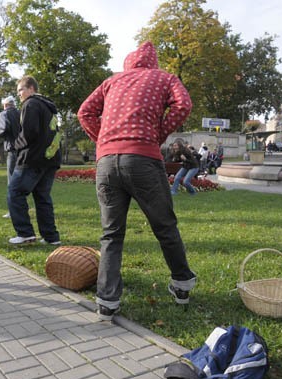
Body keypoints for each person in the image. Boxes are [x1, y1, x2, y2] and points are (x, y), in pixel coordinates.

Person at [77, 41, 197, 321]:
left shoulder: (111, 81)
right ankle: (182, 284)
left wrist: (103, 140)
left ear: (128, 62)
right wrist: (159, 133)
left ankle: (107, 301)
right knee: (164, 225)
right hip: (142, 159)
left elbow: (84, 112)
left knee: (111, 233)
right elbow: (183, 104)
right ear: (153, 62)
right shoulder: (165, 78)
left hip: (106, 163)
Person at [7, 75, 61, 246]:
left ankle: (25, 234)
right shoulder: (49, 107)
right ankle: (51, 237)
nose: (19, 95)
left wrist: (14, 145)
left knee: (15, 193)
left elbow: (29, 133)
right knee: (42, 197)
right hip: (50, 159)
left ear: (31, 88)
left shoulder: (30, 104)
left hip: (33, 159)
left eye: (21, 90)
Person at [0, 95, 21, 218]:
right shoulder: (21, 113)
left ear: (5, 105)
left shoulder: (4, 114)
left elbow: (3, 129)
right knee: (22, 181)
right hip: (24, 150)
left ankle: (13, 211)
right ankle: (22, 209)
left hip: (12, 150)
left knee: (12, 181)